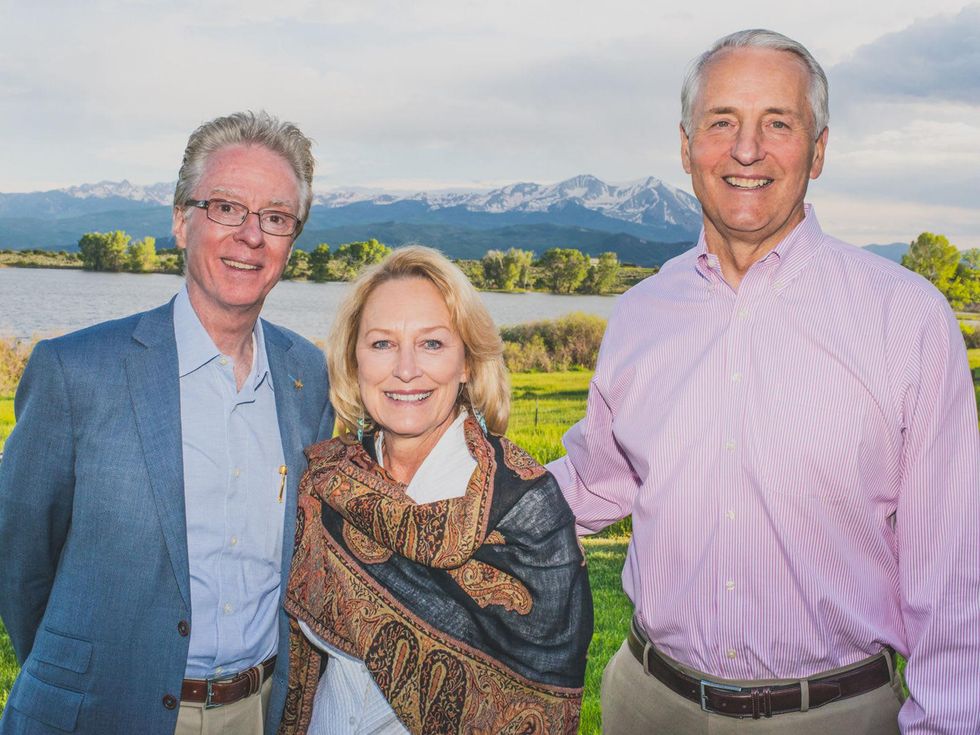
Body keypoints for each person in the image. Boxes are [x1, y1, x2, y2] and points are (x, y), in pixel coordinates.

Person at [548, 29, 980, 735]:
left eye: (778, 123)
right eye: (722, 122)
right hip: (648, 703)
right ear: (686, 145)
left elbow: (953, 568)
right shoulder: (640, 314)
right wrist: (447, 495)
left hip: (832, 716)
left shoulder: (907, 318)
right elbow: (599, 481)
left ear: (819, 150)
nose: (746, 150)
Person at [0, 111, 334, 734]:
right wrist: (76, 674)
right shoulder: (76, 372)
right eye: (226, 207)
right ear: (181, 221)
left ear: (293, 239)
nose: (251, 236)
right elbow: (20, 557)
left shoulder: (308, 374)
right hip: (102, 713)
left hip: (258, 711)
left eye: (275, 217)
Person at [276, 246, 592, 735]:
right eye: (382, 343)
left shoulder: (525, 506)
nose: (406, 369)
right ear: (354, 360)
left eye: (432, 343)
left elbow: (541, 688)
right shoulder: (326, 480)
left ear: (466, 362)